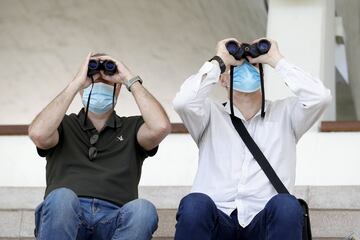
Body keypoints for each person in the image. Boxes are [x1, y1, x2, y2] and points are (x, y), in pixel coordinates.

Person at [172, 38, 332, 239]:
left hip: (264, 223)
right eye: (237, 66)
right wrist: (219, 60)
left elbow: (320, 97)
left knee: (286, 205)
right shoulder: (208, 114)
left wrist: (276, 60)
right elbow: (183, 102)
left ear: (261, 76)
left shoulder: (286, 114)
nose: (245, 69)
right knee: (195, 204)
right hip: (217, 220)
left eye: (253, 65)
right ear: (222, 79)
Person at [28, 52, 171, 240]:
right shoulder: (62, 124)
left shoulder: (132, 127)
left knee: (143, 209)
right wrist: (76, 83)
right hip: (67, 217)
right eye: (94, 81)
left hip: (115, 219)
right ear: (82, 89)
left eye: (108, 83)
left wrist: (129, 79)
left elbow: (161, 127)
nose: (100, 84)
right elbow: (38, 134)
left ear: (118, 89)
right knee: (62, 197)